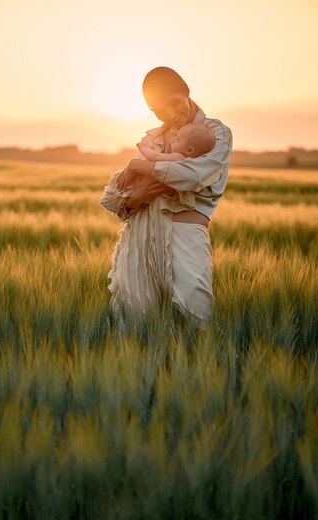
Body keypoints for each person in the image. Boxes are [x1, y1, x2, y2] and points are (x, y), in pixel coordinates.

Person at [100, 66, 233, 331]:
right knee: (135, 321)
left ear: (186, 91)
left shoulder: (216, 134)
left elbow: (194, 175)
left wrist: (141, 168)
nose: (171, 115)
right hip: (139, 235)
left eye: (174, 103)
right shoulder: (153, 138)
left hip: (185, 233)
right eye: (160, 111)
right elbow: (113, 196)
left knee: (195, 315)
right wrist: (137, 197)